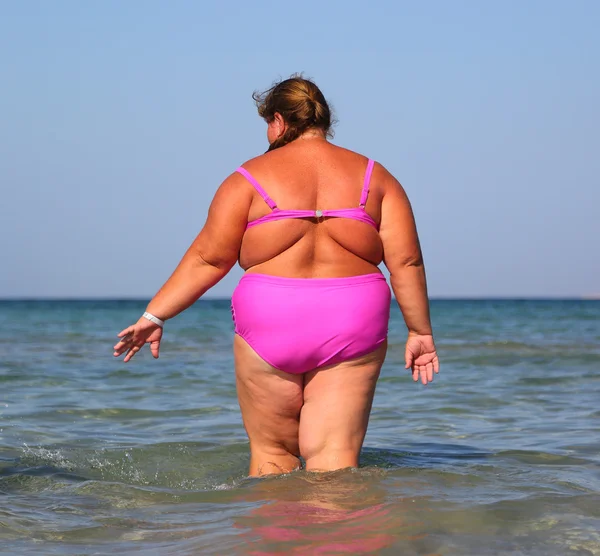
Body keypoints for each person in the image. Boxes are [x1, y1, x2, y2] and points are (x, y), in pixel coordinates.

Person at [113, 76, 440, 477]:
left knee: (273, 456)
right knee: (334, 462)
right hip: (352, 318)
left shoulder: (247, 179)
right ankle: (340, 537)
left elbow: (209, 259)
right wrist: (419, 331)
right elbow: (406, 262)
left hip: (271, 319)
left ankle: (275, 540)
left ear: (279, 121)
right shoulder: (377, 177)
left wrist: (154, 316)